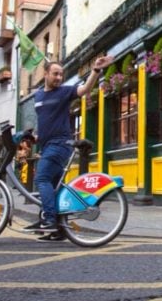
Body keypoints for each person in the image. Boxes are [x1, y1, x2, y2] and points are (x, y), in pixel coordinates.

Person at [26, 55, 113, 241]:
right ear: (46, 74)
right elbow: (45, 120)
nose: (59, 78)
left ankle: (49, 220)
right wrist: (36, 137)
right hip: (47, 145)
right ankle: (58, 230)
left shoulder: (64, 92)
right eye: (55, 74)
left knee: (42, 179)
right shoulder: (39, 95)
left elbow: (84, 90)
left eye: (61, 74)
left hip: (59, 144)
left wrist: (96, 70)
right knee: (54, 187)